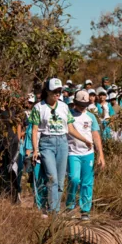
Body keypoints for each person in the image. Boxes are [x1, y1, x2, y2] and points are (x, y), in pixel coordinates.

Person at [29, 78, 92, 217]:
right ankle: (55, 211)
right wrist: (35, 149)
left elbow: (70, 128)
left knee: (61, 181)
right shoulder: (39, 107)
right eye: (55, 91)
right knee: (52, 177)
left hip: (63, 143)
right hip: (46, 143)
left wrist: (85, 140)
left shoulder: (64, 107)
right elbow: (35, 130)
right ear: (48, 91)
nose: (58, 94)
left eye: (60, 91)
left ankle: (54, 208)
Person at [66, 90, 105, 221]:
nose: (82, 107)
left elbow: (95, 135)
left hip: (88, 154)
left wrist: (101, 155)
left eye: (85, 104)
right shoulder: (69, 115)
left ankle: (85, 210)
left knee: (87, 183)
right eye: (80, 104)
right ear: (75, 103)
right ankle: (70, 207)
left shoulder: (91, 117)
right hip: (72, 153)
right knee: (74, 179)